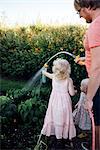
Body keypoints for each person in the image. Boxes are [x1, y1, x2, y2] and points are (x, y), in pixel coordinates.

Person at [74, 1, 100, 150]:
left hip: (98, 86)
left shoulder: (95, 26)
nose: (80, 16)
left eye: (80, 11)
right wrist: (87, 59)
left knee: (98, 124)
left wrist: (89, 98)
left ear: (89, 6)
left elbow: (97, 67)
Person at [41, 58, 76, 149]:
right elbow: (72, 93)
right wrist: (75, 91)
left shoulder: (54, 77)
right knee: (64, 119)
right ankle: (64, 139)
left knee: (56, 118)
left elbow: (44, 73)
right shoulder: (69, 80)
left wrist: (44, 68)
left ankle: (58, 139)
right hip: (65, 103)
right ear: (67, 69)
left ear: (55, 69)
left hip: (55, 102)